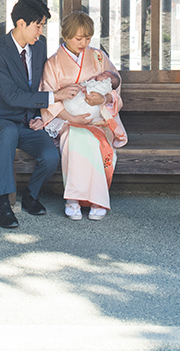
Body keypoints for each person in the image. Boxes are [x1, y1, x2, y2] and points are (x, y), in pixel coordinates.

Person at [0, 0, 82, 229]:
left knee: (50, 156)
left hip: (27, 122)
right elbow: (12, 96)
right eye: (38, 25)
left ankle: (31, 196)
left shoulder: (40, 45)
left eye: (43, 25)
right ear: (21, 23)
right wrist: (56, 96)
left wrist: (40, 115)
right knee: (6, 133)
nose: (41, 31)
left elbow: (40, 83)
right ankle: (4, 202)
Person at [41, 11, 127, 220]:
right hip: (68, 118)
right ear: (65, 36)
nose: (83, 43)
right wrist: (72, 119)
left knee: (96, 141)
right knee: (75, 138)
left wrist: (104, 99)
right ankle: (73, 199)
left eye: (87, 38)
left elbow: (115, 84)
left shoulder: (98, 57)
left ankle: (98, 199)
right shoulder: (53, 63)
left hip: (98, 118)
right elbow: (47, 96)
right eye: (78, 38)